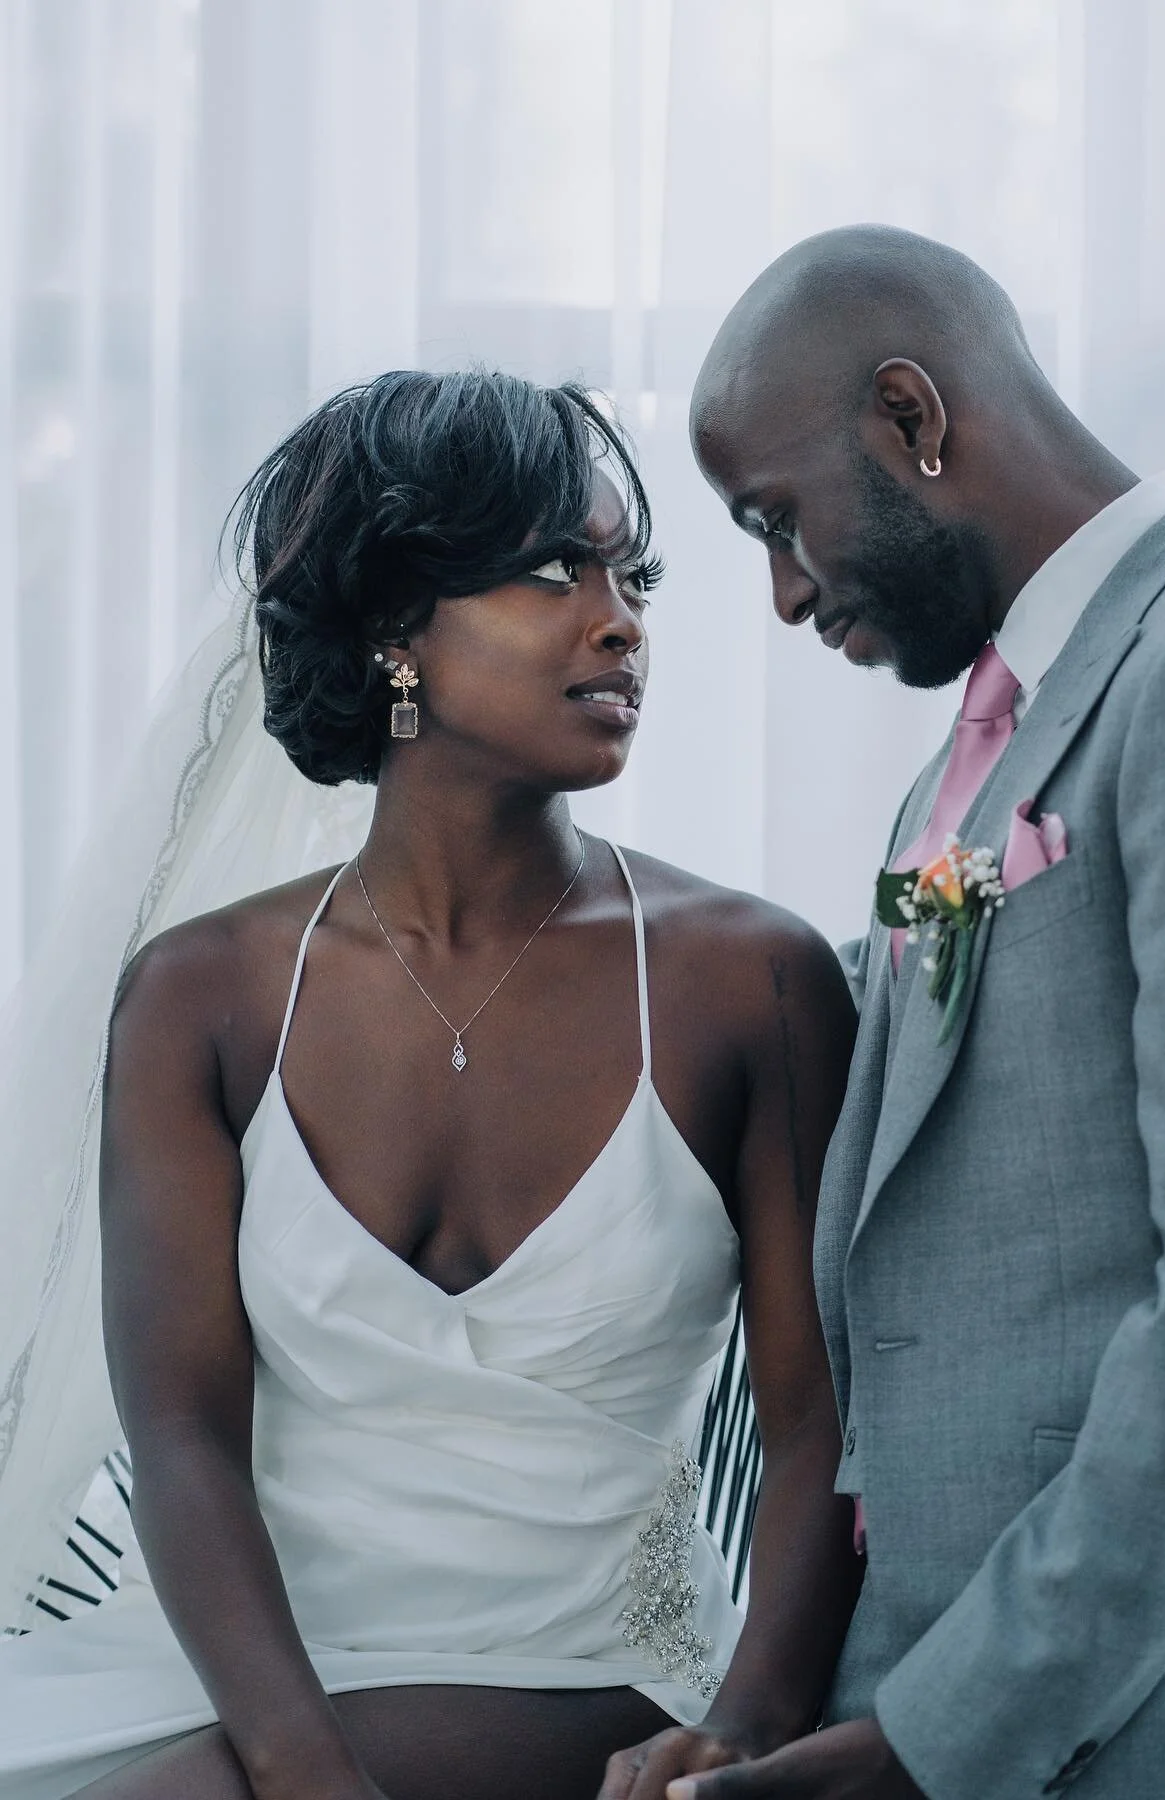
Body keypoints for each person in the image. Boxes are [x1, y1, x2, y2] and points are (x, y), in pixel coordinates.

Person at [0, 368, 862, 1800]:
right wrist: (298, 1767)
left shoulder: (749, 984)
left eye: (630, 571)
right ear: (393, 622)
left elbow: (818, 1422)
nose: (621, 617)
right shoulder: (201, 1000)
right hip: (238, 1668)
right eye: (550, 571)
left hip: (600, 1669)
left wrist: (755, 1722)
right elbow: (184, 1437)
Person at [663, 225, 1165, 1800]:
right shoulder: (961, 769)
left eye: (778, 519)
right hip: (935, 1683)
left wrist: (934, 1742)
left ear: (912, 417)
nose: (783, 590)